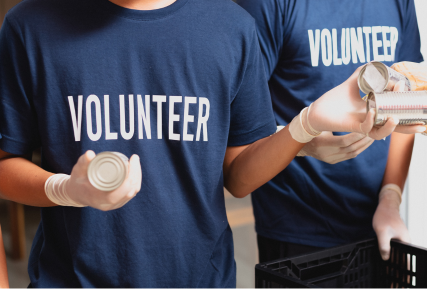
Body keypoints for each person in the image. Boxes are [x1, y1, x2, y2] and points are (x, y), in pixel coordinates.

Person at [0, 0, 422, 287]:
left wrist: (305, 126)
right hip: (72, 278)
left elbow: (238, 177)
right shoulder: (29, 27)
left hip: (201, 278)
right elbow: (5, 164)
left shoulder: (230, 28)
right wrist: (64, 190)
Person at [236, 0, 424, 262]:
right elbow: (237, 129)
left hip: (377, 222)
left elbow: (405, 107)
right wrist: (302, 139)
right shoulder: (269, 5)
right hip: (296, 226)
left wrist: (391, 197)